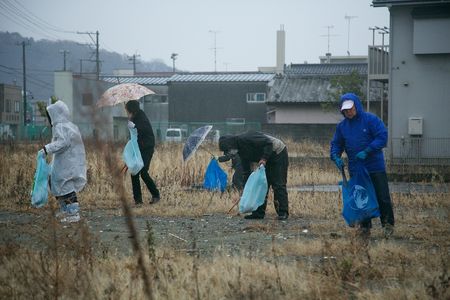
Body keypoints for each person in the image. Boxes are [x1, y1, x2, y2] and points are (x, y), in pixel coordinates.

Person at [330, 93, 395, 238]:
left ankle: (388, 225)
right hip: (356, 169)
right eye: (345, 110)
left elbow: (382, 137)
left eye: (351, 109)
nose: (348, 112)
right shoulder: (342, 127)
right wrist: (335, 156)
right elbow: (336, 144)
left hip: (374, 166)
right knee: (361, 199)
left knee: (382, 197)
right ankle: (365, 227)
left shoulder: (370, 120)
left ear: (357, 106)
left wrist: (368, 150)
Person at [218, 131, 289, 220]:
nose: (228, 153)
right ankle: (258, 214)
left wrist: (264, 158)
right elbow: (246, 171)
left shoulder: (247, 138)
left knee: (278, 184)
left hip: (278, 153)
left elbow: (269, 144)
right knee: (259, 185)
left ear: (231, 145)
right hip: (265, 159)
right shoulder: (241, 152)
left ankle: (283, 213)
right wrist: (246, 188)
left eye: (227, 150)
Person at [40, 100, 87, 223]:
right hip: (67, 161)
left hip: (66, 163)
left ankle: (73, 213)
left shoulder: (61, 126)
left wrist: (47, 148)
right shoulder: (69, 125)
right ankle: (66, 210)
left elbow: (63, 143)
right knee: (59, 184)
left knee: (65, 185)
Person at [125, 100, 160, 205]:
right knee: (134, 172)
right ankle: (138, 201)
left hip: (146, 148)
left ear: (131, 109)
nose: (126, 111)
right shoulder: (134, 117)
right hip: (138, 148)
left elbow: (142, 129)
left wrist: (134, 126)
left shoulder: (141, 117)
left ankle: (156, 195)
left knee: (143, 172)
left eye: (127, 109)